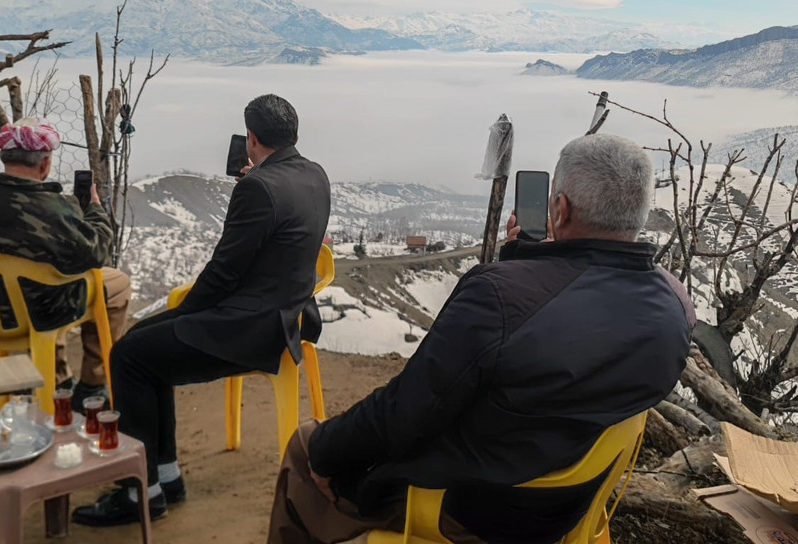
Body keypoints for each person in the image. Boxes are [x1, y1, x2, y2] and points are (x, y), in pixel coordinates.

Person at [268, 133, 694, 544]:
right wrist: (529, 261)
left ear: (560, 210)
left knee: (307, 447)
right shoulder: (675, 307)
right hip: (572, 503)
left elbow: (403, 413)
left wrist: (327, 452)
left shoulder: (497, 297)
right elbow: (570, 316)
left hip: (472, 511)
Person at [72, 94, 331, 527]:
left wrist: (181, 316)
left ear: (251, 138)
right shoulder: (314, 175)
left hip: (249, 328)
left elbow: (223, 274)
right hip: (285, 318)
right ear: (294, 136)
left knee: (130, 354)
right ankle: (164, 478)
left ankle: (142, 492)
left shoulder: (258, 189)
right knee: (145, 352)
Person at [0, 118, 131, 406]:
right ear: (45, 164)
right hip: (43, 313)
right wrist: (95, 211)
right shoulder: (54, 208)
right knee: (116, 284)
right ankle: (93, 384)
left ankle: (57, 377)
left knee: (47, 276)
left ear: (4, 157)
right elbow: (96, 253)